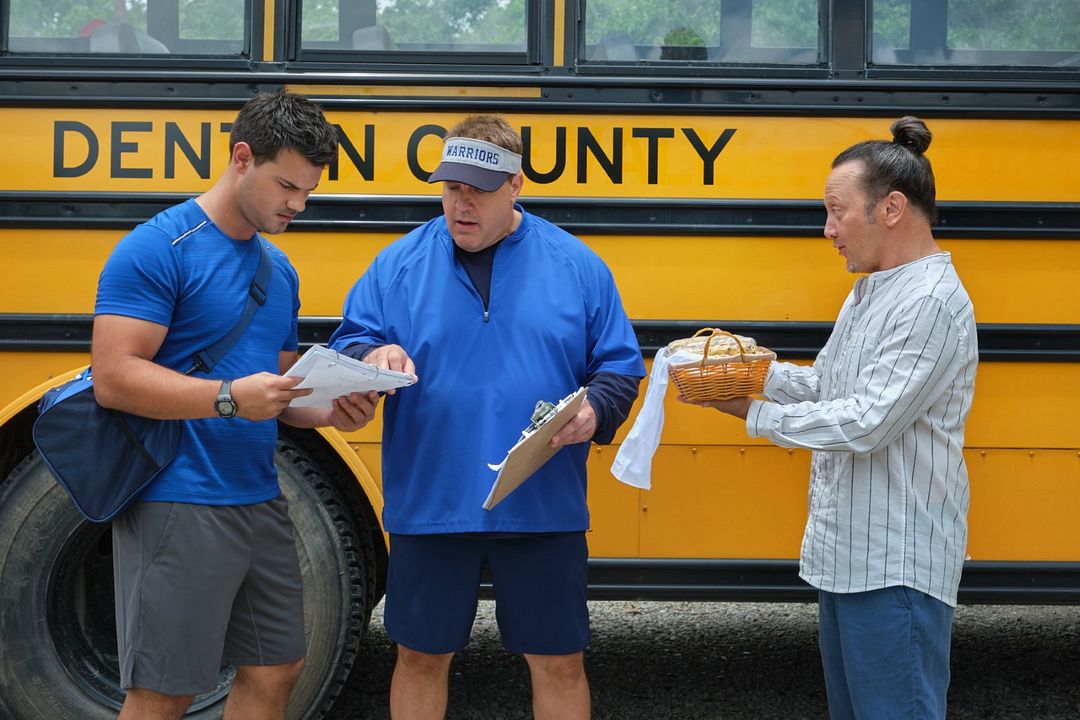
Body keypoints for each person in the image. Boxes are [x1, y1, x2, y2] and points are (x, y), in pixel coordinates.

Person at [328, 114, 645, 720]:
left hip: (541, 503)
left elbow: (619, 367)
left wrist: (597, 410)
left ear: (517, 185)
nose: (461, 203)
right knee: (420, 656)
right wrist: (371, 356)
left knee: (558, 660)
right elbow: (350, 342)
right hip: (431, 501)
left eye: (479, 189)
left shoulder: (578, 265)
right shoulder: (396, 265)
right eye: (452, 187)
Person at [91, 92, 380, 720]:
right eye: (286, 186)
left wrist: (330, 408)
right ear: (241, 158)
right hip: (177, 500)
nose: (297, 205)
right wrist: (227, 397)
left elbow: (276, 392)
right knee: (164, 690)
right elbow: (113, 377)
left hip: (258, 497)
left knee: (278, 668)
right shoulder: (157, 248)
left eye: (308, 192)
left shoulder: (278, 270)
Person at [682, 116, 977, 719]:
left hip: (895, 566)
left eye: (837, 211)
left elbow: (867, 421)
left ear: (891, 208)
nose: (828, 229)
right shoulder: (872, 289)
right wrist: (753, 369)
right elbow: (827, 386)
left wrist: (753, 412)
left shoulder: (930, 303)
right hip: (849, 558)